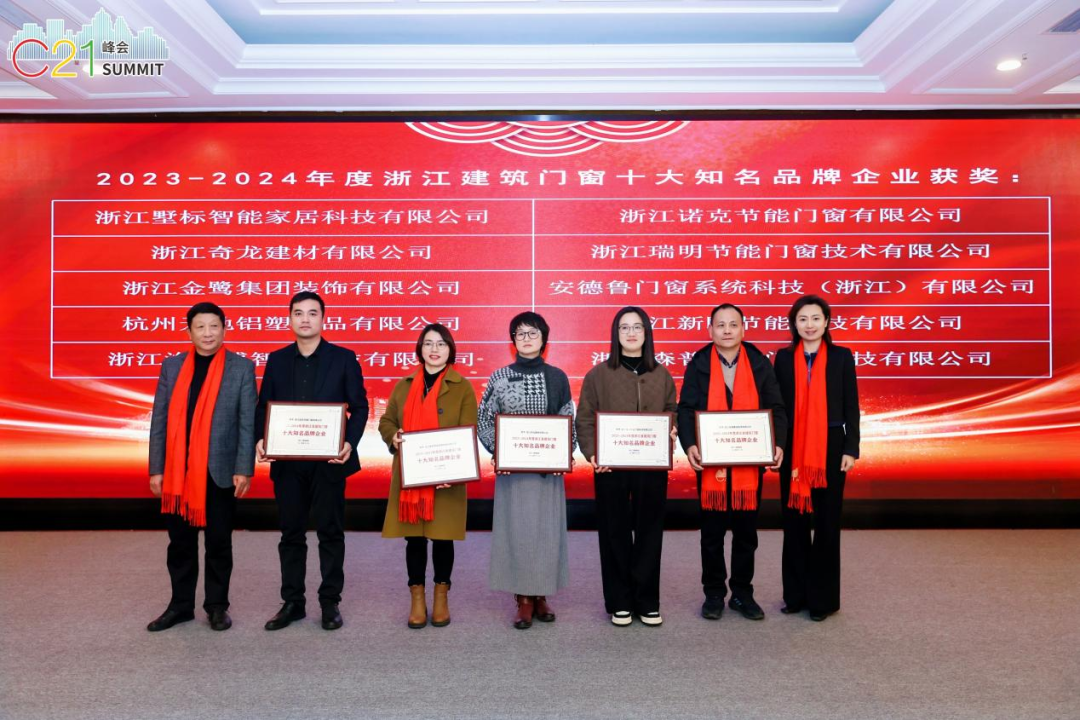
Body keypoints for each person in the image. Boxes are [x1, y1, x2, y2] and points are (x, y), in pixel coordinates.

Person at [255, 291, 370, 631]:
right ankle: (293, 602)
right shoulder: (277, 360)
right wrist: (261, 438)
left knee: (330, 532)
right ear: (289, 318)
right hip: (288, 463)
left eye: (312, 313)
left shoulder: (343, 358)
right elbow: (264, 406)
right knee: (291, 533)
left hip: (329, 463)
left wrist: (349, 442)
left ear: (323, 318)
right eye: (298, 313)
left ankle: (330, 602)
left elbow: (360, 407)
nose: (305, 319)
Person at [146, 301, 256, 632]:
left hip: (219, 472)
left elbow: (247, 423)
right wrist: (156, 468)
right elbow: (159, 421)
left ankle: (217, 606)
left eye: (214, 326)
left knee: (219, 543)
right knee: (180, 544)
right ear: (189, 331)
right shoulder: (172, 367)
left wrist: (244, 468)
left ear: (224, 329)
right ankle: (180, 606)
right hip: (177, 473)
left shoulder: (241, 368)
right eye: (200, 327)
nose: (208, 333)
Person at [677, 303, 787, 622]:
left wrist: (778, 443)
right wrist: (690, 444)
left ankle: (742, 593)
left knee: (746, 534)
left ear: (743, 329)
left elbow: (776, 407)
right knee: (711, 534)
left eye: (733, 324)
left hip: (748, 465)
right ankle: (713, 593)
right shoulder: (699, 363)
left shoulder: (759, 363)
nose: (727, 330)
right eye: (720, 325)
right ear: (710, 330)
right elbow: (686, 409)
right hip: (710, 463)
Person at [576, 306, 677, 627]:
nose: (631, 333)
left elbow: (672, 410)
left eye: (637, 327)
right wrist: (593, 453)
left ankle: (647, 601)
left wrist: (671, 430)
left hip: (651, 466)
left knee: (650, 532)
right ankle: (619, 601)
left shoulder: (661, 374)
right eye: (624, 327)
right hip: (611, 467)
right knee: (614, 532)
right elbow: (584, 418)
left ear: (647, 333)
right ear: (615, 334)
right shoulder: (598, 375)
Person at [478, 311, 575, 629]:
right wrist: (499, 452)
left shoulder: (558, 377)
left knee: (545, 533)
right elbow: (484, 418)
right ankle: (522, 598)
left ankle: (541, 594)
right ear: (513, 341)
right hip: (514, 474)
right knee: (517, 533)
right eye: (520, 334)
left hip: (547, 474)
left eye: (533, 333)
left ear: (544, 339)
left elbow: (567, 418)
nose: (527, 339)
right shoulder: (499, 377)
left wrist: (563, 453)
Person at [379, 324, 478, 629]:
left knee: (443, 538)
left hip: (447, 479)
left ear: (450, 350)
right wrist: (393, 436)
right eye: (428, 344)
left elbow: (468, 431)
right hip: (411, 479)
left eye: (441, 344)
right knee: (415, 539)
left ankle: (441, 597)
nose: (434, 350)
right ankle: (417, 599)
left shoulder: (462, 387)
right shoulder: (404, 385)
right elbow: (386, 420)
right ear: (420, 349)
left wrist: (456, 471)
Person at [773, 295, 860, 622]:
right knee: (794, 522)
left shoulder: (841, 357)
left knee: (826, 523)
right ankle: (795, 596)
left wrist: (851, 448)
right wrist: (776, 445)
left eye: (815, 318)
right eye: (802, 319)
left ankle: (822, 600)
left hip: (831, 446)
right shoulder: (783, 359)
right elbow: (777, 408)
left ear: (826, 322)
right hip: (794, 446)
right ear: (794, 324)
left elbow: (851, 405)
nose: (809, 325)